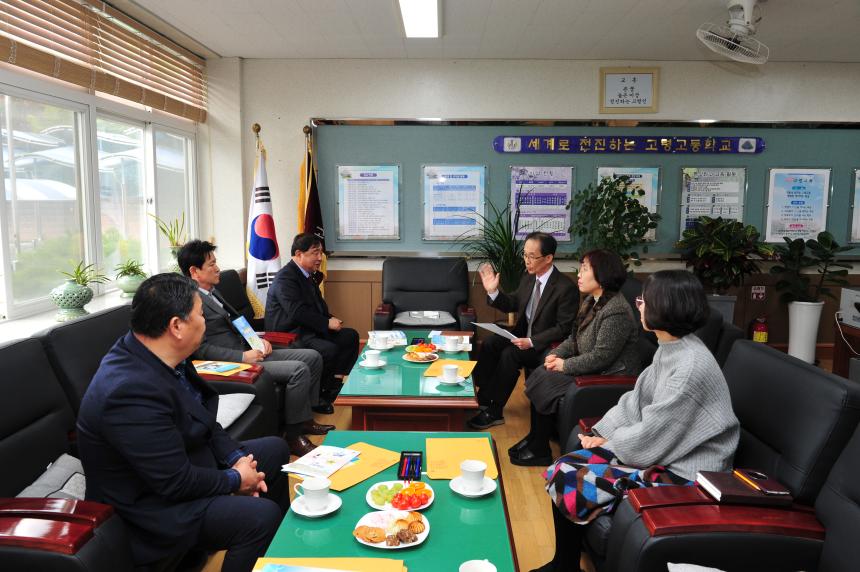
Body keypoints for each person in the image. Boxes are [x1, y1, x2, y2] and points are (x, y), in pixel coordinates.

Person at [77, 273, 292, 572]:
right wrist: (236, 479)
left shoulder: (162, 353)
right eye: (201, 315)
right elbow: (173, 482)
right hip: (149, 509)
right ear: (176, 326)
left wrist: (237, 459)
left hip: (182, 463)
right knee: (260, 517)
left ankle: (278, 557)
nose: (205, 323)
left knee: (274, 450)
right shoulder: (127, 391)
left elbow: (204, 420)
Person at [533, 270, 740, 572]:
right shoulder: (671, 347)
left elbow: (657, 431)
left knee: (570, 477)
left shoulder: (690, 366)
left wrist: (611, 443)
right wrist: (603, 430)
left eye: (645, 300)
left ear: (666, 307)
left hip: (687, 474)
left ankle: (564, 567)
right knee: (565, 464)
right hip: (663, 452)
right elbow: (636, 400)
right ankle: (563, 564)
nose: (639, 305)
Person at [178, 240, 334, 458]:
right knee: (299, 369)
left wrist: (257, 340)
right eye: (212, 264)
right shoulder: (191, 302)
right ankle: (293, 436)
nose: (218, 268)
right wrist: (242, 356)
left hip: (251, 348)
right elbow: (201, 349)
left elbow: (238, 322)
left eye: (216, 262)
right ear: (194, 271)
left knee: (313, 357)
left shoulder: (213, 291)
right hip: (234, 362)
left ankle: (304, 418)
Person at [511, 249, 641, 466]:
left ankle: (540, 448)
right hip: (593, 366)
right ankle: (536, 439)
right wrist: (555, 355)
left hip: (609, 376)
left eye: (585, 269)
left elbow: (601, 358)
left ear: (603, 274)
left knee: (548, 379)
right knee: (543, 372)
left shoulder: (615, 310)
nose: (578, 274)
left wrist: (565, 365)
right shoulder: (592, 300)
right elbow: (573, 338)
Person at [467, 231, 579, 430]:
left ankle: (495, 410)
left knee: (510, 354)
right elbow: (513, 303)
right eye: (524, 255)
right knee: (492, 343)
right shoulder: (529, 278)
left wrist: (532, 341)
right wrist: (493, 291)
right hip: (521, 336)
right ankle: (483, 395)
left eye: (531, 256)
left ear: (548, 258)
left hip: (544, 345)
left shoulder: (564, 288)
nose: (526, 261)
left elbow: (564, 328)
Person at [265, 232, 359, 402]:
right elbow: (297, 312)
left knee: (350, 336)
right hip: (290, 334)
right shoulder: (285, 278)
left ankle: (332, 382)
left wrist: (330, 318)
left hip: (307, 328)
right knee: (328, 349)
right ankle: (320, 396)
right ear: (299, 254)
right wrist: (326, 323)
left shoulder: (306, 274)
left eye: (321, 253)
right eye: (315, 253)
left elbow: (315, 306)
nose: (320, 258)